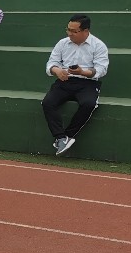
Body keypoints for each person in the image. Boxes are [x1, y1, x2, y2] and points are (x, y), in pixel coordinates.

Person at [42, 14, 109, 156]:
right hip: (65, 80)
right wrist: (57, 71)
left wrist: (82, 72)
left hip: (88, 82)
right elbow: (51, 63)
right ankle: (60, 137)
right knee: (48, 102)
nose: (70, 34)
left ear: (86, 31)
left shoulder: (98, 45)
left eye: (74, 31)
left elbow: (101, 69)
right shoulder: (62, 43)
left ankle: (67, 136)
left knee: (89, 104)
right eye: (68, 29)